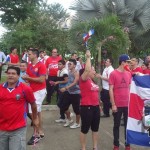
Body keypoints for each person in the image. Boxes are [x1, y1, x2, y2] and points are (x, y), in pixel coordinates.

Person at [0, 66, 39, 150]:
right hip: (1, 128)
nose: (10, 75)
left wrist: (35, 118)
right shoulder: (0, 88)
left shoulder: (25, 89)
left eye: (13, 74)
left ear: (18, 76)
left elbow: (33, 104)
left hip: (18, 128)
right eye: (9, 73)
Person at [22, 48, 47, 145]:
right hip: (32, 91)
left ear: (35, 55)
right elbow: (30, 79)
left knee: (32, 112)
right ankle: (40, 131)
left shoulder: (41, 65)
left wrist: (28, 78)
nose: (28, 56)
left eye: (29, 54)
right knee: (37, 113)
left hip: (40, 91)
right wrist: (27, 79)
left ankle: (36, 135)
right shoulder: (29, 66)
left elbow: (41, 80)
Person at [109, 54, 132, 150]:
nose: (129, 64)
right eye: (128, 62)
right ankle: (116, 145)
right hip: (117, 104)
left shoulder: (128, 73)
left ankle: (127, 144)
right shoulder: (113, 73)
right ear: (123, 62)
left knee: (128, 125)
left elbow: (130, 88)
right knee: (116, 125)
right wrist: (113, 104)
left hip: (127, 104)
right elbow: (110, 89)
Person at [79, 50, 100, 150]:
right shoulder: (83, 79)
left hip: (96, 107)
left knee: (95, 129)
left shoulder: (93, 81)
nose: (94, 71)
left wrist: (99, 105)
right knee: (85, 129)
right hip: (86, 107)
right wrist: (88, 57)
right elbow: (86, 70)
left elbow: (96, 94)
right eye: (93, 70)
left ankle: (95, 147)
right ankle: (83, 148)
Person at [60, 59, 80, 128]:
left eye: (70, 64)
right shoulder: (69, 71)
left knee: (76, 109)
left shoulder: (76, 72)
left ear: (74, 65)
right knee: (63, 107)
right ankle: (69, 120)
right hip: (69, 92)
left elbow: (75, 82)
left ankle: (77, 123)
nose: (69, 65)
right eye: (68, 64)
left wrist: (65, 88)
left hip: (76, 93)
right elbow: (68, 81)